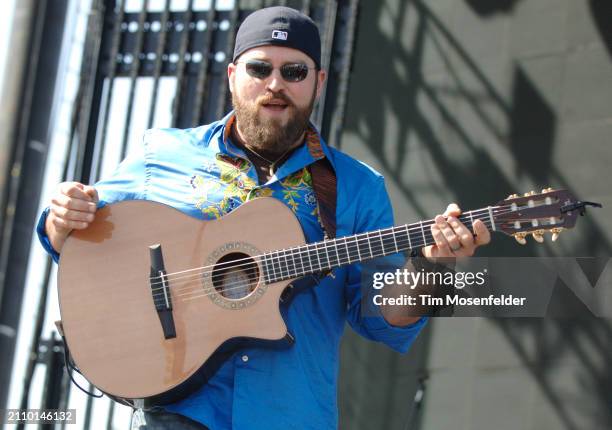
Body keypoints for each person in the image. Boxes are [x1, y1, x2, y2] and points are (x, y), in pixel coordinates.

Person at [36, 6, 490, 430]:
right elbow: (77, 241)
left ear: (318, 82)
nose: (276, 83)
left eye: (294, 72)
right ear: (234, 75)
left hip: (289, 414)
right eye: (260, 68)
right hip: (177, 410)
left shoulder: (357, 187)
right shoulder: (165, 152)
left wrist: (432, 267)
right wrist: (62, 219)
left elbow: (380, 318)